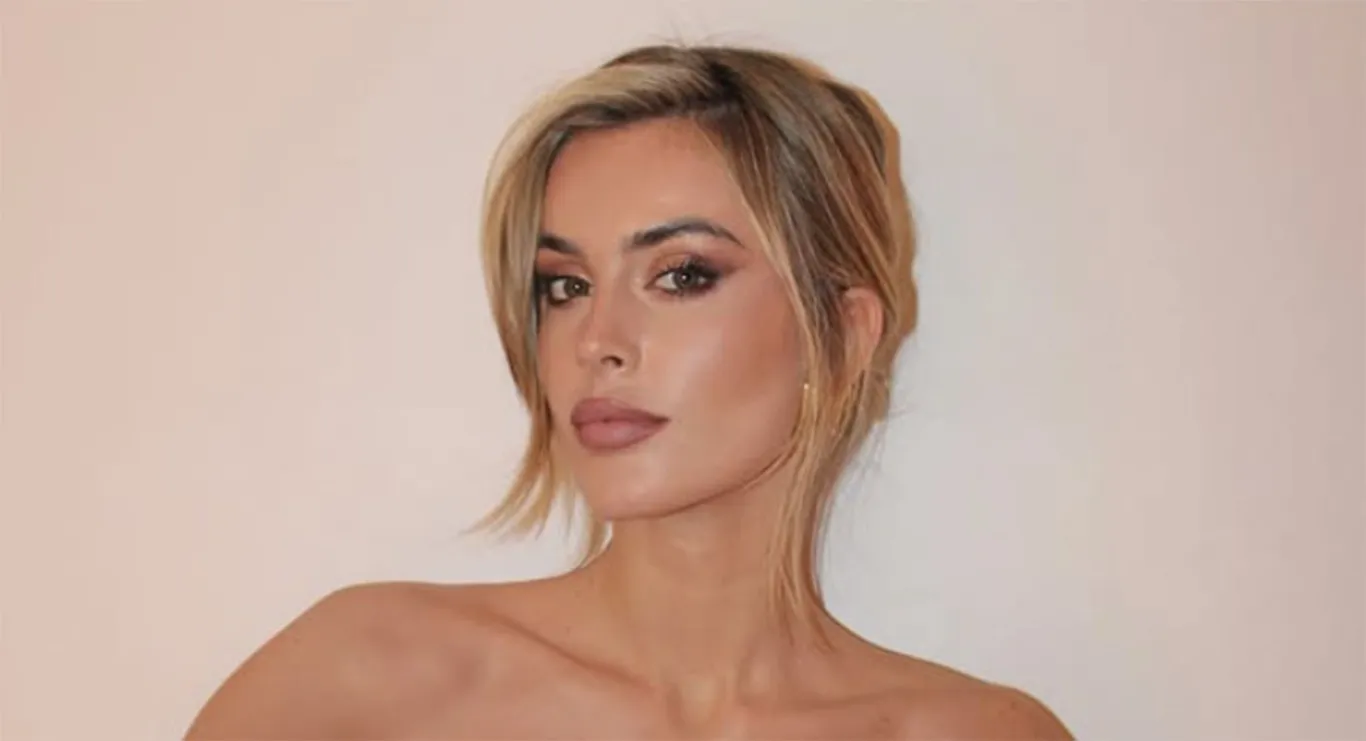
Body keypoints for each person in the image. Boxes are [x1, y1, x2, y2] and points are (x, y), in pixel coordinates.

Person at [186, 42, 1072, 740]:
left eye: (682, 275)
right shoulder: (367, 682)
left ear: (841, 336)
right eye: (565, 285)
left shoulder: (979, 732)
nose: (596, 340)